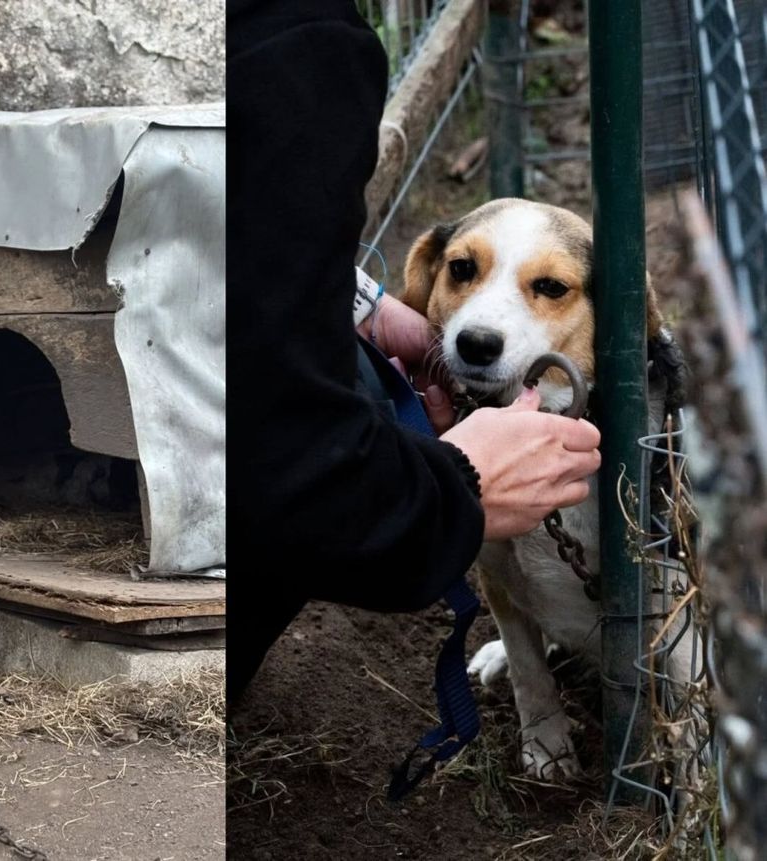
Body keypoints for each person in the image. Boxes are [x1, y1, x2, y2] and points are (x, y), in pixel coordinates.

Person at [226, 0, 602, 703]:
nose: (485, 322)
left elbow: (247, 248)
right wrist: (456, 485)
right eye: (464, 271)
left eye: (547, 287)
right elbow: (287, 463)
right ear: (432, 274)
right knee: (368, 400)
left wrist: (359, 305)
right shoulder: (302, 51)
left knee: (368, 388)